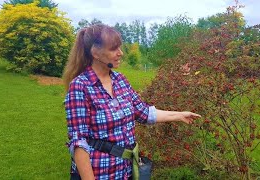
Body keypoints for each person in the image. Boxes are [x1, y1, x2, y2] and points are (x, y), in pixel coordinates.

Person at [62, 24, 201, 180]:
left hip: (126, 171)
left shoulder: (120, 80)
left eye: (120, 48)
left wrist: (179, 115)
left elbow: (144, 112)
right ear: (95, 53)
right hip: (100, 173)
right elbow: (79, 143)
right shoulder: (80, 86)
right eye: (114, 49)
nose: (120, 53)